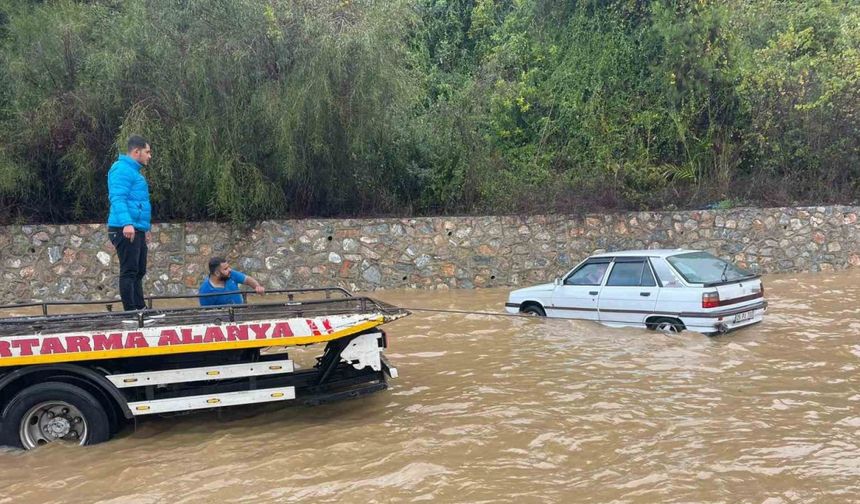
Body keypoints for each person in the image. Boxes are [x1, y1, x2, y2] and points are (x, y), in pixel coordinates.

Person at [107, 135, 152, 311]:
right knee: (129, 270)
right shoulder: (121, 169)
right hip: (123, 228)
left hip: (136, 228)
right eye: (147, 152)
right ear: (136, 151)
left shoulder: (133, 172)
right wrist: (127, 223)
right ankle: (131, 312)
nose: (149, 156)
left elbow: (138, 203)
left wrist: (144, 228)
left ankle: (140, 309)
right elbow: (118, 198)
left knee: (139, 270)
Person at [199, 257, 266, 306]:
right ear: (217, 273)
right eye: (225, 269)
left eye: (228, 267)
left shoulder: (231, 274)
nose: (230, 270)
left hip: (241, 313)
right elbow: (207, 313)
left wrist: (257, 287)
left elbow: (247, 280)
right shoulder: (205, 290)